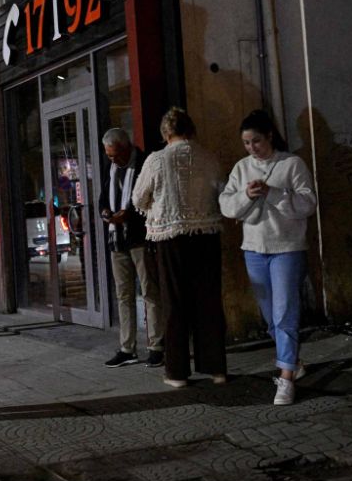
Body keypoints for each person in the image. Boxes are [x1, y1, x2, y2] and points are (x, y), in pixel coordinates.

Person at [219, 109, 317, 406]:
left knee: (284, 311)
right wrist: (246, 195)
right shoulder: (241, 167)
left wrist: (273, 192)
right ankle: (293, 361)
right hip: (253, 248)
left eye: (257, 141)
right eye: (247, 143)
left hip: (287, 247)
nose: (252, 148)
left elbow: (308, 203)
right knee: (269, 315)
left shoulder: (292, 164)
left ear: (270, 136)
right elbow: (226, 205)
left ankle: (285, 378)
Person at [132, 107, 226, 388]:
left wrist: (156, 208)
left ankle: (177, 372)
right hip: (206, 234)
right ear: (191, 129)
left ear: (166, 133)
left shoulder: (157, 160)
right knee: (208, 300)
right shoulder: (209, 157)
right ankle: (216, 368)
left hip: (169, 237)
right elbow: (222, 191)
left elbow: (138, 198)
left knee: (173, 302)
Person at [98, 128, 164, 368]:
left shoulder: (144, 163)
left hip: (139, 238)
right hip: (117, 239)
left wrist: (129, 216)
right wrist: (105, 211)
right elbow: (103, 197)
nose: (113, 159)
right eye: (109, 155)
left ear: (127, 147)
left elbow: (152, 199)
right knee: (123, 294)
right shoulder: (110, 167)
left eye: (116, 155)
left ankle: (157, 346)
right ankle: (127, 348)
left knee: (150, 291)